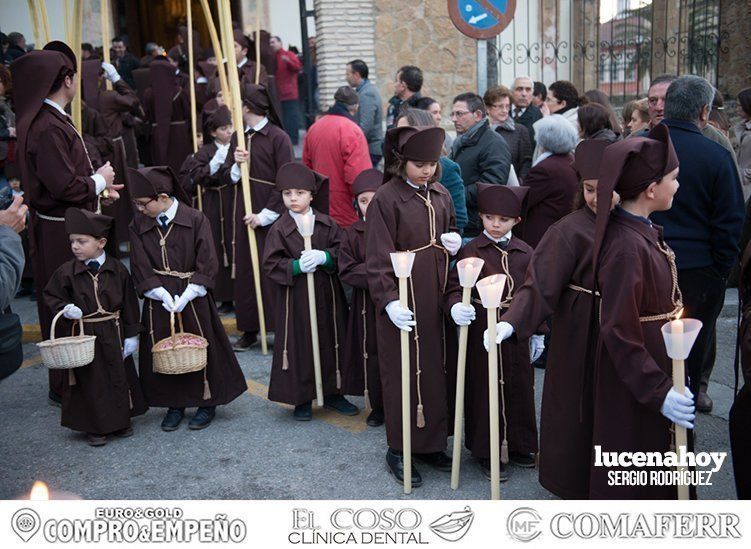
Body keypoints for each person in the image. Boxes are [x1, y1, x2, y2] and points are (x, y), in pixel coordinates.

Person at [491, 139, 611, 498]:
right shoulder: (569, 230)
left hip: (619, 332)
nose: (596, 198)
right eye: (589, 190)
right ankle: (571, 480)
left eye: (605, 190)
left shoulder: (635, 226)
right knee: (575, 408)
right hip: (578, 331)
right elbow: (539, 285)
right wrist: (513, 321)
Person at [13, 42, 122, 405]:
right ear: (67, 80)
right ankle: (71, 384)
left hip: (65, 222)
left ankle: (82, 379)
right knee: (68, 301)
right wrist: (99, 181)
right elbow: (63, 186)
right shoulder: (47, 126)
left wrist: (97, 190)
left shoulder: (51, 119)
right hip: (62, 231)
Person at [589, 124, 694, 499]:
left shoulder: (642, 231)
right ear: (652, 189)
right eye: (674, 179)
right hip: (638, 373)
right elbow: (618, 328)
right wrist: (658, 390)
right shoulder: (626, 246)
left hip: (657, 359)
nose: (678, 186)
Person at [366, 125, 461, 487]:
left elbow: (450, 231)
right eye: (419, 163)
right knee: (404, 374)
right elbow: (376, 258)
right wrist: (388, 301)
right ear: (401, 162)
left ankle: (431, 442)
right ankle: (399, 448)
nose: (426, 170)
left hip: (436, 299)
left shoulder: (440, 194)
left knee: (437, 370)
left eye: (433, 163)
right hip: (404, 301)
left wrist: (454, 244)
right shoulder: (386, 200)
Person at [128, 166, 247, 431]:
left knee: (201, 346)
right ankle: (175, 403)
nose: (139, 209)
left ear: (162, 197)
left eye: (142, 204)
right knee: (166, 350)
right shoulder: (138, 224)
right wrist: (156, 292)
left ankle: (206, 401)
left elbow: (207, 259)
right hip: (158, 297)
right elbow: (139, 262)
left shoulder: (195, 219)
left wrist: (190, 292)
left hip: (191, 295)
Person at [651, 76, 744, 412]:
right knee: (687, 358)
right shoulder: (716, 155)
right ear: (704, 111)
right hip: (697, 270)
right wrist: (720, 269)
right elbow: (731, 220)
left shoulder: (641, 146)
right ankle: (679, 436)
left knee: (648, 351)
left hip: (648, 263)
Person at [446, 183, 540, 482]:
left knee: (518, 386)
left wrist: (538, 331)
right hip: (480, 334)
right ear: (480, 217)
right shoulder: (470, 250)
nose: (496, 225)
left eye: (504, 219)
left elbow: (535, 294)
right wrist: (453, 307)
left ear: (517, 221)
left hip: (515, 330)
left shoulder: (525, 252)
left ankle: (519, 444)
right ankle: (487, 450)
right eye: (489, 218)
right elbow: (452, 287)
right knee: (483, 388)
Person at [262, 162, 358, 420]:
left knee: (331, 338)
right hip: (296, 298)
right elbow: (270, 264)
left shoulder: (327, 224)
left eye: (299, 193)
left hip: (327, 295)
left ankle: (334, 392)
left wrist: (325, 257)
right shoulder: (279, 229)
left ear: (312, 195)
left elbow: (343, 255)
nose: (293, 198)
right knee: (299, 343)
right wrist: (294, 266)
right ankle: (301, 396)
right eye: (287, 193)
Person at [43, 208, 147, 446]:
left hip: (113, 330)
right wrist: (65, 307)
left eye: (82, 241)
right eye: (72, 241)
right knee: (92, 381)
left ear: (101, 242)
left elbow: (130, 302)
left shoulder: (117, 269)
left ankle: (121, 420)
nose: (75, 246)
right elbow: (51, 295)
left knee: (118, 375)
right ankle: (95, 426)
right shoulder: (67, 272)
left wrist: (132, 333)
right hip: (85, 334)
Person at [224, 83, 293, 352]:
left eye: (239, 103)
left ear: (249, 107)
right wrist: (237, 165)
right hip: (243, 211)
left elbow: (286, 179)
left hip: (271, 215)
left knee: (270, 272)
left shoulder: (278, 137)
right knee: (245, 273)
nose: (236, 108)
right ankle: (250, 329)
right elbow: (229, 178)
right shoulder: (237, 137)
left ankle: (278, 328)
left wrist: (265, 216)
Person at [178, 106, 235, 314]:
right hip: (212, 201)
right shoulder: (204, 152)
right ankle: (224, 296)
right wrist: (213, 165)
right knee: (217, 247)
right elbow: (190, 179)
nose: (228, 131)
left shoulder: (238, 146)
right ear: (213, 132)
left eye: (230, 127)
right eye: (223, 128)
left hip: (233, 200)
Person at [338, 168, 384, 426]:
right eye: (364, 201)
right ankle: (377, 405)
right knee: (372, 352)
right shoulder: (352, 233)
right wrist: (380, 274)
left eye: (375, 199)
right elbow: (348, 269)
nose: (370, 205)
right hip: (366, 304)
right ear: (357, 205)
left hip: (394, 302)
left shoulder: (395, 228)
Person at [302, 86, 371, 228]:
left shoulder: (315, 127)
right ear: (355, 108)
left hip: (319, 203)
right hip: (345, 206)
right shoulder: (352, 131)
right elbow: (358, 176)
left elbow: (306, 168)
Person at [450, 92, 511, 239]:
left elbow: (492, 184)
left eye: (459, 114)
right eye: (452, 114)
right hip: (460, 218)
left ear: (477, 115)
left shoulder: (494, 143)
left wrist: (456, 194)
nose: (453, 119)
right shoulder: (462, 141)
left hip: (475, 226)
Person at [396, 107, 467, 234]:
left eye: (405, 132)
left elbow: (458, 219)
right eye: (398, 132)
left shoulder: (447, 168)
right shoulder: (396, 165)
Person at [514, 115, 579, 248]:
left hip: (542, 236)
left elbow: (523, 200)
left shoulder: (545, 169)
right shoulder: (570, 161)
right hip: (562, 232)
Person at [143, 57, 192, 175]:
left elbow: (146, 116)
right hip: (179, 135)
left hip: (158, 134)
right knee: (179, 165)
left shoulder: (148, 93)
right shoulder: (178, 91)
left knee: (162, 164)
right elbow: (187, 113)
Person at [484, 85, 532, 180]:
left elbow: (526, 162)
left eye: (507, 106)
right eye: (500, 106)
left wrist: (520, 182)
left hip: (512, 187)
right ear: (487, 108)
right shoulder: (480, 131)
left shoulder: (520, 131)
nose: (505, 110)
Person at [345, 59, 383, 166]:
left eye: (348, 74)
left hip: (370, 150)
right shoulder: (362, 91)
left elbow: (366, 125)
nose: (346, 78)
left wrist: (350, 144)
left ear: (356, 75)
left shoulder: (367, 93)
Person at [269, 35, 302, 146]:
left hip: (290, 93)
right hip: (278, 94)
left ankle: (294, 139)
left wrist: (288, 61)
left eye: (273, 42)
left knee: (291, 117)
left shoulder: (288, 55)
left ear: (280, 43)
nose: (271, 45)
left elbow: (297, 68)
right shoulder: (272, 57)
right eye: (270, 43)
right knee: (282, 117)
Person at [510, 76, 543, 146]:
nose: (524, 94)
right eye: (519, 89)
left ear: (532, 93)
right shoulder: (504, 110)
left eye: (528, 90)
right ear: (511, 92)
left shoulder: (537, 114)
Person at [735, 88, 751, 201]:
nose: (736, 109)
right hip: (739, 184)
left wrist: (744, 175)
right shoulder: (742, 127)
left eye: (739, 105)